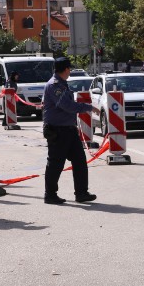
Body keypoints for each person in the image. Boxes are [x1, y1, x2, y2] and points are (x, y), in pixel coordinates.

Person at [42, 56, 97, 205]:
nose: (70, 71)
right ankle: (50, 194)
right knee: (55, 163)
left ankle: (81, 193)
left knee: (80, 160)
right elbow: (67, 106)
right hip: (57, 131)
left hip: (68, 130)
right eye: (69, 68)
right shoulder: (54, 85)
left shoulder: (62, 84)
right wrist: (88, 107)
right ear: (65, 69)